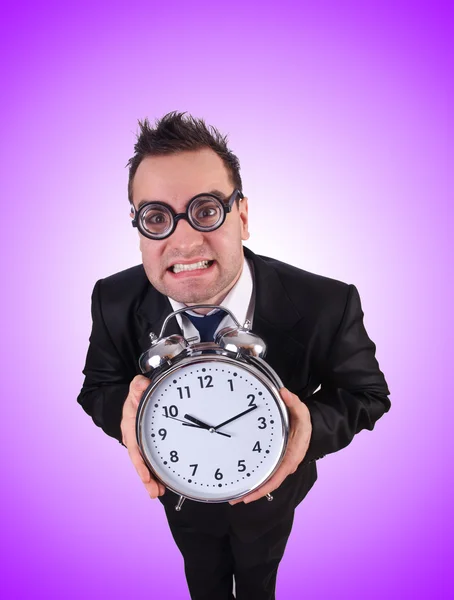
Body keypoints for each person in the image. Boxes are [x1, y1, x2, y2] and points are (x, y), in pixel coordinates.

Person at [77, 111, 391, 600]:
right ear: (139, 228)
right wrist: (128, 410)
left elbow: (368, 394)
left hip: (273, 496)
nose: (183, 240)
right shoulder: (112, 300)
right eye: (157, 217)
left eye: (205, 210)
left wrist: (305, 427)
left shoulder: (326, 303)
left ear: (241, 216)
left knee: (259, 576)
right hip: (182, 498)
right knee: (202, 577)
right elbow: (97, 386)